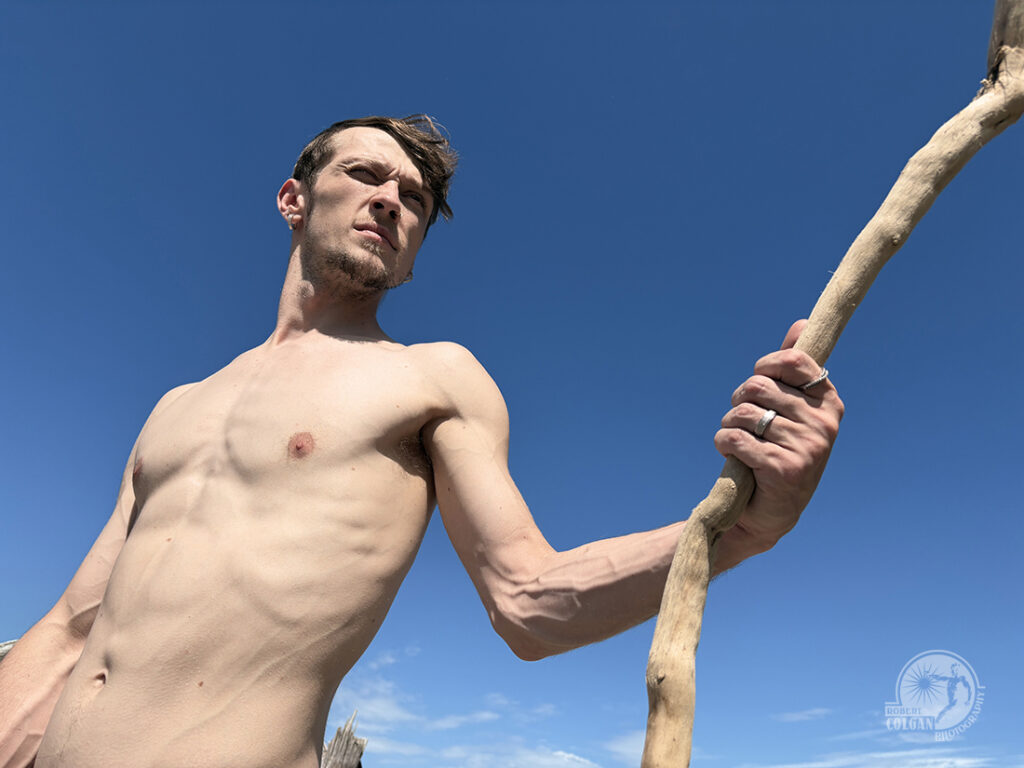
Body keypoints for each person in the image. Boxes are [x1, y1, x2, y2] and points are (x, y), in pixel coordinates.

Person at [0, 115, 844, 768]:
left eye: (414, 200)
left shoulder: (433, 379)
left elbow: (530, 601)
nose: (390, 201)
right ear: (294, 199)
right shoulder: (175, 407)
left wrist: (742, 528)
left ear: (411, 258)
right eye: (366, 174)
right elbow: (70, 630)